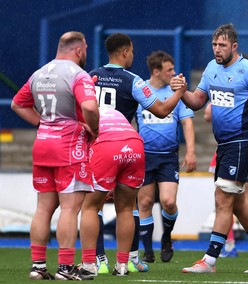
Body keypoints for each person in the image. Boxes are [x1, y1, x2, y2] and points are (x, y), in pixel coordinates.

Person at [170, 23, 248, 273]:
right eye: (214, 45)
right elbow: (198, 101)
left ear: (234, 46)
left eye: (222, 45)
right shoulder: (211, 67)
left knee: (222, 200)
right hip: (225, 145)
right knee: (239, 203)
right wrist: (182, 90)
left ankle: (209, 260)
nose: (217, 50)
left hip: (242, 142)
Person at [88, 33, 187, 274]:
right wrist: (180, 92)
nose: (132, 56)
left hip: (97, 145)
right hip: (125, 145)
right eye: (131, 52)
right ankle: (128, 260)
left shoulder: (90, 77)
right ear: (124, 52)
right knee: (127, 205)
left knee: (93, 206)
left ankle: (97, 261)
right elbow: (162, 110)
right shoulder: (133, 80)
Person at [11, 31, 100, 280]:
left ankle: (38, 267)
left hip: (43, 146)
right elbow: (90, 106)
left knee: (43, 209)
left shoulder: (39, 74)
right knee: (70, 209)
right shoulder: (78, 75)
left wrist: (43, 124)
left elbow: (17, 104)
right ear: (79, 50)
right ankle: (65, 268)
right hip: (69, 147)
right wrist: (94, 127)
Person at [136, 51, 197, 263]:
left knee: (168, 202)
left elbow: (187, 122)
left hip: (168, 156)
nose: (173, 73)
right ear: (156, 72)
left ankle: (166, 237)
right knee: (143, 203)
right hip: (144, 156)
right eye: (169, 70)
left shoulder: (177, 93)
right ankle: (147, 250)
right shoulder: (140, 90)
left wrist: (190, 151)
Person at [79, 108, 145, 276]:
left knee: (90, 208)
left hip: (107, 146)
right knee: (126, 209)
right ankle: (122, 265)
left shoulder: (80, 113)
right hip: (135, 146)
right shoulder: (114, 111)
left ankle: (88, 264)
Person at [204, 102, 248, 258]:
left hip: (230, 147)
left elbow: (208, 114)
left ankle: (228, 246)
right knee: (246, 198)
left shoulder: (232, 87)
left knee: (223, 200)